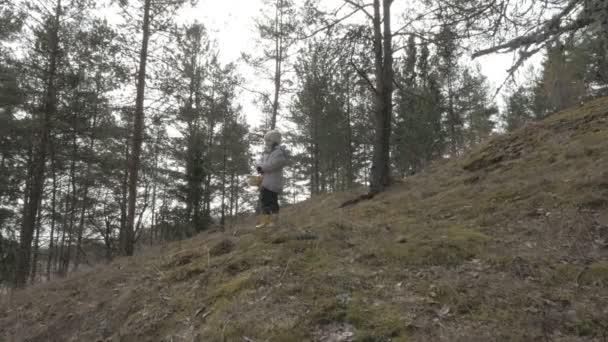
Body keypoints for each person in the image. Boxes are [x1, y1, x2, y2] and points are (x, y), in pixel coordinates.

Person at [255, 130, 288, 228]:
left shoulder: (279, 153)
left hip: (273, 183)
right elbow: (258, 161)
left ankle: (274, 222)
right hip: (265, 182)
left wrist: (261, 167)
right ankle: (265, 222)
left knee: (272, 203)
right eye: (266, 141)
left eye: (269, 140)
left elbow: (273, 165)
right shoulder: (267, 152)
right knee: (264, 202)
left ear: (275, 141)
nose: (266, 143)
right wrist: (260, 167)